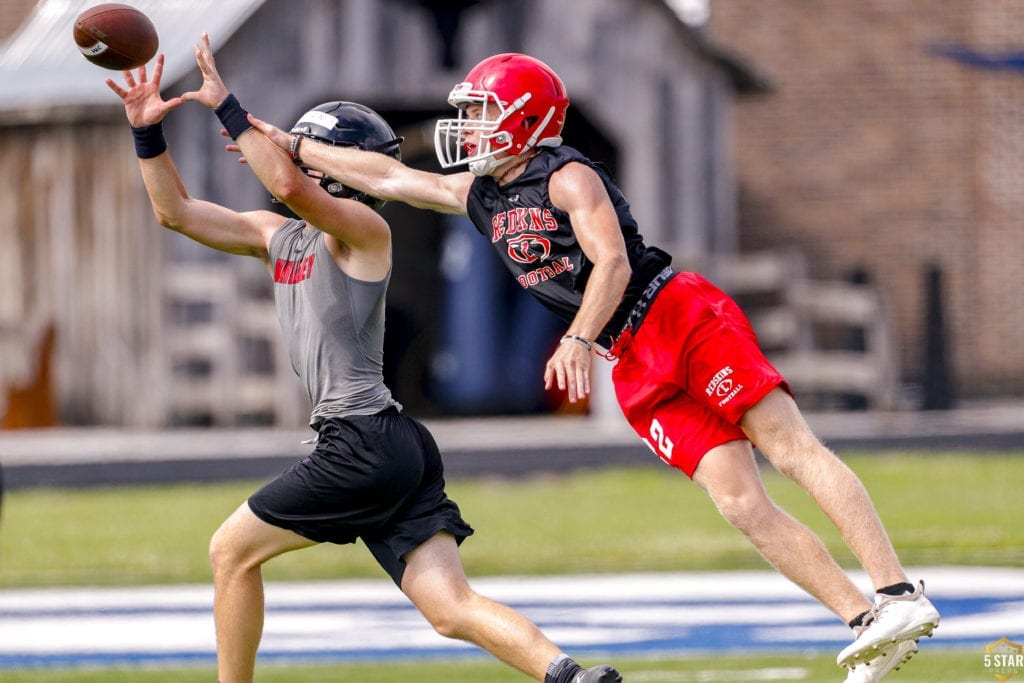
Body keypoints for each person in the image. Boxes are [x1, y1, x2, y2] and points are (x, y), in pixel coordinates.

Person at [244, 52, 941, 682]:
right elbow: (391, 175)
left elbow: (609, 260)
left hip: (675, 316)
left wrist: (576, 338)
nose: (474, 127)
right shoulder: (483, 195)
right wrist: (291, 142)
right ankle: (864, 621)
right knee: (738, 502)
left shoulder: (568, 173)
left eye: (485, 112)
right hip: (630, 358)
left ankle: (897, 593)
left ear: (525, 119)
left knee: (788, 446)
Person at [104, 37, 621, 683]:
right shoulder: (278, 236)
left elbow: (290, 181)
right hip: (392, 441)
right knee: (450, 608)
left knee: (230, 552)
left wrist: (228, 108)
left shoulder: (364, 231)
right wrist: (147, 134)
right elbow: (173, 212)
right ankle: (571, 675)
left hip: (361, 440)